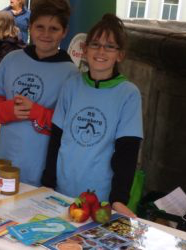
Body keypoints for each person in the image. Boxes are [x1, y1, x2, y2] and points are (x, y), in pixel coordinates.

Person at [41, 14, 143, 218]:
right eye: (95, 44)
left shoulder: (128, 93)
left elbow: (127, 152)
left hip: (99, 200)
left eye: (109, 46)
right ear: (85, 50)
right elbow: (56, 138)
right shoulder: (71, 85)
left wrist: (119, 199)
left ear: (120, 55)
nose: (101, 51)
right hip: (61, 191)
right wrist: (48, 183)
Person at [0, 0, 78, 187]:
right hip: (5, 158)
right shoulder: (12, 60)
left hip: (42, 166)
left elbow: (71, 125)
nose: (45, 34)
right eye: (40, 27)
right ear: (30, 27)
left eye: (54, 29)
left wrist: (37, 112)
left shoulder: (71, 73)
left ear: (64, 32)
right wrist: (8, 109)